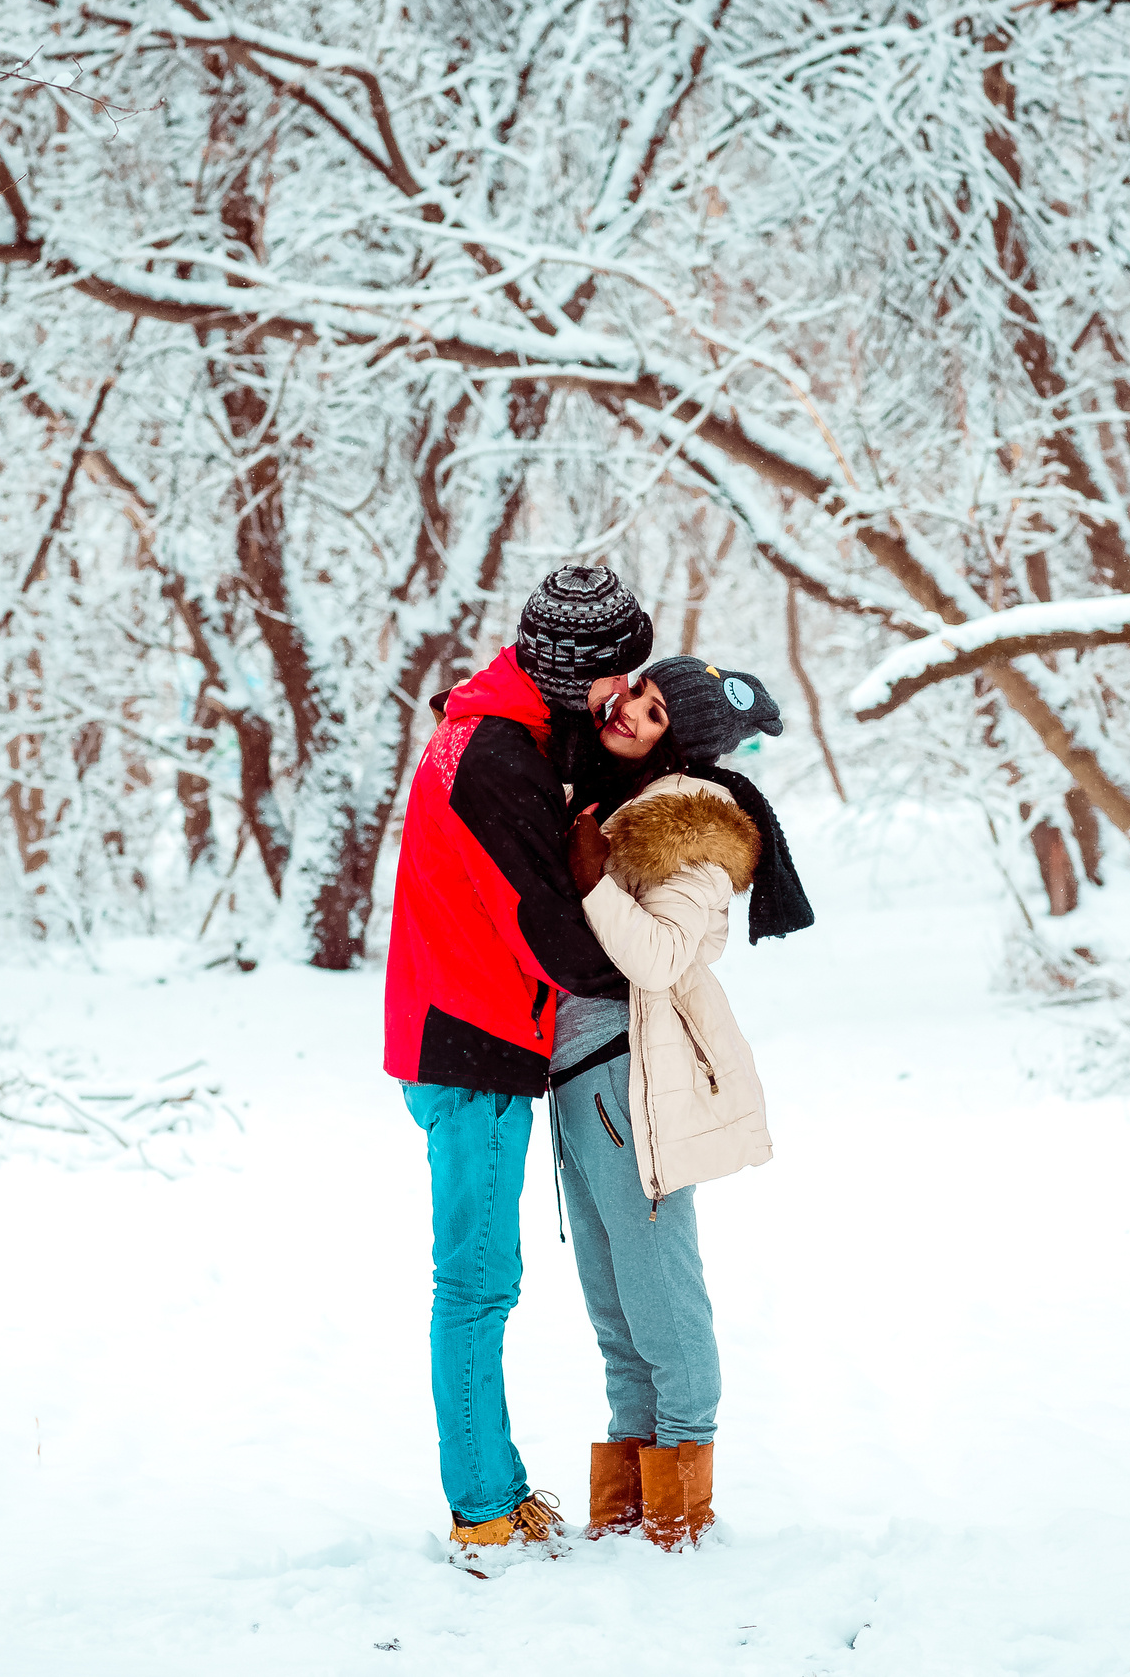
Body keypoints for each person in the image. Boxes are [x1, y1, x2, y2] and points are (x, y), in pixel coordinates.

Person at [382, 564, 654, 1560]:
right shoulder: (495, 761)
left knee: (480, 1280)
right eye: (616, 679)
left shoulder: (503, 728)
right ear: (568, 672)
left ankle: (490, 1490)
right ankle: (483, 1509)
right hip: (471, 1047)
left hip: (460, 1032)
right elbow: (547, 925)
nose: (625, 697)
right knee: (476, 1284)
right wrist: (650, 981)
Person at [551, 655, 816, 1549]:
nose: (629, 710)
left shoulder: (686, 829)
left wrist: (590, 877)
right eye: (636, 693)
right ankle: (627, 1517)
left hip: (632, 1084)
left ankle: (681, 1519)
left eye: (656, 711)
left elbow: (663, 956)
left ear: (683, 743)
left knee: (662, 1298)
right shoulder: (616, 798)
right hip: (577, 1083)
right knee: (615, 1310)